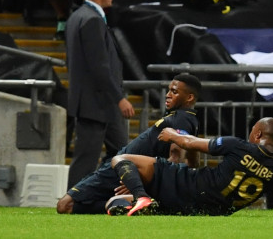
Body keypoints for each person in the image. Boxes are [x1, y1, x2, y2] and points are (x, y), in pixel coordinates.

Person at [108, 117, 273, 217]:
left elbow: (191, 143)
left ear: (257, 134)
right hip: (211, 211)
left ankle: (141, 197)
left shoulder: (238, 146)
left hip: (190, 185)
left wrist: (172, 135)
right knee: (116, 201)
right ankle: (145, 200)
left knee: (122, 160)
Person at [57, 74, 201, 215]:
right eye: (169, 90)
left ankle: (144, 203)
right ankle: (132, 204)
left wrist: (136, 179)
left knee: (65, 205)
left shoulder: (182, 119)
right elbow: (193, 157)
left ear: (189, 97)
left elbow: (176, 158)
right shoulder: (186, 119)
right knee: (68, 205)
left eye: (174, 92)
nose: (168, 95)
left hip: (120, 170)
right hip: (122, 171)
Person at [66, 0, 135, 189]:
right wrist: (119, 98)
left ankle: (112, 194)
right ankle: (73, 201)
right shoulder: (92, 20)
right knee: (86, 159)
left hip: (98, 104)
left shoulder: (77, 17)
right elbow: (99, 67)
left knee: (122, 154)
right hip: (96, 103)